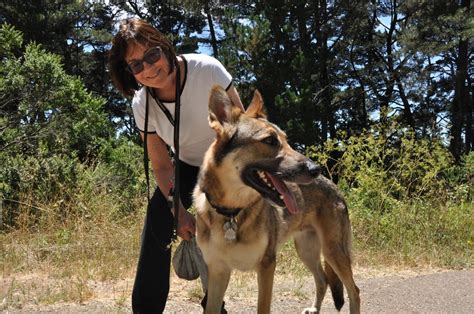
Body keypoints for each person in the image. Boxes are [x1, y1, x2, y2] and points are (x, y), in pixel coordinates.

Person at [108, 18, 244, 313]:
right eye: (136, 65)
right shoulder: (141, 104)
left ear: (164, 46)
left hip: (225, 162)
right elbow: (161, 165)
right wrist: (178, 211)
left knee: (216, 229)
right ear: (129, 72)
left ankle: (214, 304)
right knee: (158, 215)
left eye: (152, 55)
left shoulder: (207, 70)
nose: (149, 68)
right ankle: (146, 308)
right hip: (185, 166)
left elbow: (241, 126)